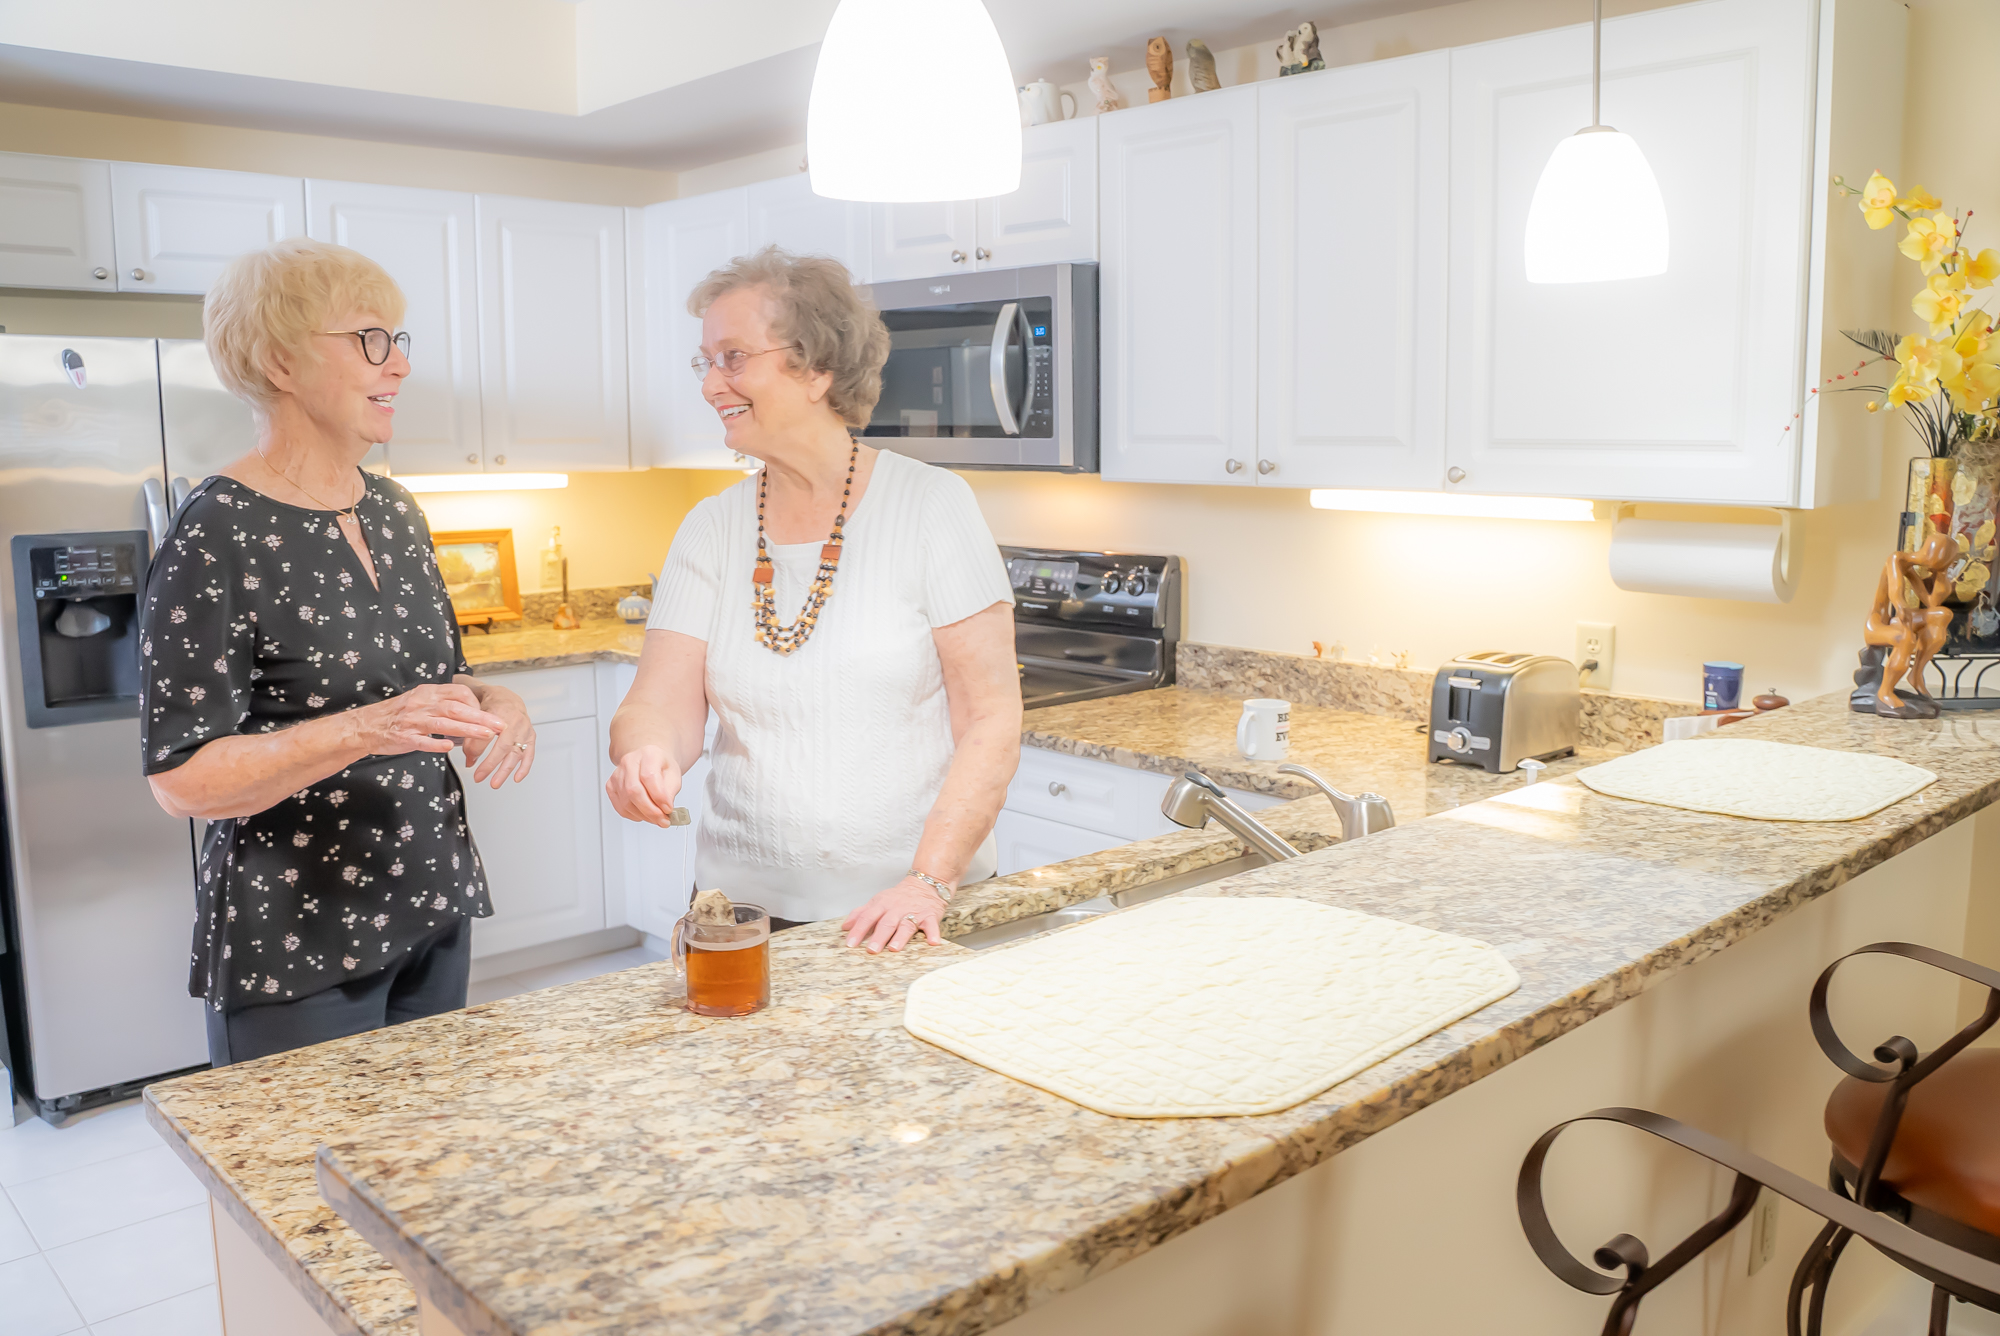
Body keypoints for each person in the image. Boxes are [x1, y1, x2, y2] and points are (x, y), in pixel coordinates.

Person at [139, 238, 536, 1065]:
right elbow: (182, 780)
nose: (397, 365)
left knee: (419, 1170)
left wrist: (495, 702)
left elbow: (429, 679)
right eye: (369, 339)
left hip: (429, 897)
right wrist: (363, 730)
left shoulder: (394, 508)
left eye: (398, 339)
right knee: (295, 1188)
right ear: (280, 362)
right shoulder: (219, 528)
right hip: (299, 935)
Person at [606, 247, 1021, 952]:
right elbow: (659, 704)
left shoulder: (930, 506)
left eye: (733, 358)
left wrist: (929, 880)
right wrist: (645, 755)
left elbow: (990, 716)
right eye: (704, 362)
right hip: (737, 917)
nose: (712, 386)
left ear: (817, 368)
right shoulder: (712, 527)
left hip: (902, 913)